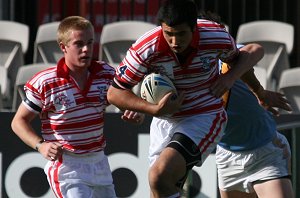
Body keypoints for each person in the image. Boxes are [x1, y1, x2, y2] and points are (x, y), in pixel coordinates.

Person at [107, 0, 264, 197]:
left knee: (159, 176)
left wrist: (250, 87)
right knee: (160, 187)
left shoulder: (215, 36)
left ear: (194, 27)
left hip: (204, 115)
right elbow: (115, 93)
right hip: (163, 120)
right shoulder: (146, 48)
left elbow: (242, 59)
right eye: (168, 34)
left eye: (181, 34)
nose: (174, 41)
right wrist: (149, 109)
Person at [11, 16, 143, 198]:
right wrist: (40, 145)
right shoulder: (45, 82)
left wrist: (134, 113)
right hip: (67, 166)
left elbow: (129, 103)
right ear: (63, 47)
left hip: (99, 162)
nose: (86, 49)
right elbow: (18, 121)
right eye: (79, 44)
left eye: (90, 42)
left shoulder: (106, 74)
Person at [216, 61, 295, 197]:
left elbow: (256, 50)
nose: (176, 42)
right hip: (227, 157)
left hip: (266, 153)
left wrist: (260, 92)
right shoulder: (183, 74)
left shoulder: (226, 56)